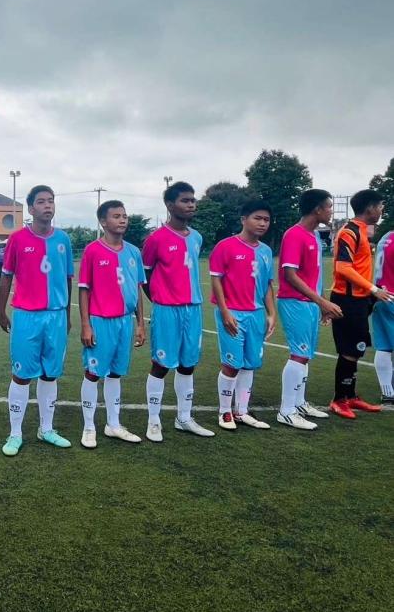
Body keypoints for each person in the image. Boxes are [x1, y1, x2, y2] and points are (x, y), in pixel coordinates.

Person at [0, 185, 74, 456]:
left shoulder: (63, 239)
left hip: (56, 316)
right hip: (27, 316)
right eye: (41, 202)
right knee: (21, 375)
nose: (47, 205)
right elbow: (6, 275)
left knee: (50, 373)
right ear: (30, 209)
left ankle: (46, 429)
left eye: (51, 201)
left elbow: (67, 279)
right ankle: (15, 433)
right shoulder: (17, 239)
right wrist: (1, 310)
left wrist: (67, 314)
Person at [141, 181, 214, 442]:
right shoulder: (155, 239)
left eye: (193, 200)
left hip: (193, 309)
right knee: (161, 365)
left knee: (188, 364)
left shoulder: (196, 237)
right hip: (167, 310)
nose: (191, 204)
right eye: (185, 200)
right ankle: (153, 421)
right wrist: (160, 299)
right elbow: (145, 276)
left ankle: (184, 418)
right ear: (170, 205)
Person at [77, 200, 146, 448]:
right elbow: (84, 290)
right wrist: (86, 324)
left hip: (124, 322)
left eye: (124, 215)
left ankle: (113, 424)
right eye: (116, 216)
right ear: (103, 222)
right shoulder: (93, 251)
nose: (123, 220)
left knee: (116, 373)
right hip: (100, 321)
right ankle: (88, 427)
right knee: (93, 373)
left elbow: (137, 289)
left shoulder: (134, 252)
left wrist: (140, 323)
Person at [276, 189, 343, 430]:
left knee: (306, 355)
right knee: (299, 353)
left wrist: (321, 303)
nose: (331, 211)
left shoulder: (314, 236)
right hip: (294, 301)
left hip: (310, 303)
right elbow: (290, 275)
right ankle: (286, 411)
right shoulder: (294, 235)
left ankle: (299, 402)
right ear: (317, 209)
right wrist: (322, 302)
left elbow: (316, 274)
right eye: (329, 206)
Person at [209, 200, 277, 431]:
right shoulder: (225, 246)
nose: (262, 223)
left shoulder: (266, 251)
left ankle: (242, 411)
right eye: (257, 218)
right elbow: (216, 280)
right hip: (233, 313)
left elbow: (267, 285)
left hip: (256, 314)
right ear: (243, 220)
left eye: (266, 219)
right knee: (232, 364)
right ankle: (224, 411)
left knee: (250, 364)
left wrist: (272, 314)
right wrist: (225, 311)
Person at [327, 189, 391, 418]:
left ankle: (350, 396)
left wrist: (371, 292)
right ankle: (339, 399)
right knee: (349, 350)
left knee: (357, 348)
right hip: (347, 299)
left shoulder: (362, 231)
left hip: (360, 299)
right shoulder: (349, 231)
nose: (381, 210)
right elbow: (343, 268)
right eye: (380, 205)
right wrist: (374, 289)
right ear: (370, 208)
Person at [371, 227, 394, 405]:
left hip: (379, 295)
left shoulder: (386, 237)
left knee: (384, 346)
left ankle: (387, 392)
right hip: (392, 295)